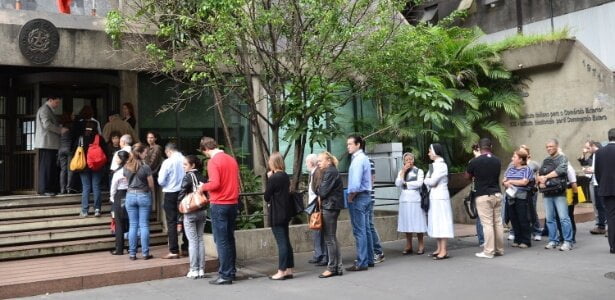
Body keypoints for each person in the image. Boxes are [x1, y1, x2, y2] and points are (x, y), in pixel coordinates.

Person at [199, 137, 240, 285]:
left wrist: (202, 187)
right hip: (233, 203)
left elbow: (215, 183)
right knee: (229, 238)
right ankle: (232, 271)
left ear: (205, 149)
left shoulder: (213, 161)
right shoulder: (230, 159)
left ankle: (225, 275)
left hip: (219, 203)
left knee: (221, 240)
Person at [465, 138, 502, 259]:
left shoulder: (475, 161)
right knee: (497, 223)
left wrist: (475, 160)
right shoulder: (497, 160)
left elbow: (467, 177)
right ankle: (499, 249)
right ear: (490, 146)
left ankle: (489, 251)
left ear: (479, 148)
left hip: (483, 195)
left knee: (487, 224)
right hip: (497, 193)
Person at [538, 139, 573, 251]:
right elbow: (539, 174)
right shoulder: (545, 160)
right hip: (547, 193)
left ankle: (568, 242)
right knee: (549, 219)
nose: (549, 148)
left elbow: (561, 171)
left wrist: (545, 177)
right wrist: (540, 180)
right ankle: (553, 240)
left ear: (557, 146)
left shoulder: (563, 158)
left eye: (551, 146)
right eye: (547, 147)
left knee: (564, 218)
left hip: (559, 193)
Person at [345, 135, 374, 272]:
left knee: (360, 231)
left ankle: (362, 261)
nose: (348, 146)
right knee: (366, 229)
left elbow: (355, 184)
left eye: (350, 144)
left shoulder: (358, 160)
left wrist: (351, 196)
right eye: (348, 144)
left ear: (358, 145)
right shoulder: (364, 158)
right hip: (366, 196)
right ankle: (369, 259)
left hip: (359, 197)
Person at [264, 152, 294, 280]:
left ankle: (281, 270)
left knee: (281, 242)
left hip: (276, 213)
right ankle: (289, 269)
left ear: (273, 163)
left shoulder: (274, 178)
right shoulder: (285, 176)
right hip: (285, 212)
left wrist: (269, 178)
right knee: (286, 241)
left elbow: (266, 196)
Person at [315, 151, 345, 278]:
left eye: (320, 161)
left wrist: (318, 189)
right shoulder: (331, 171)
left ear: (328, 160)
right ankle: (337, 267)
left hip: (330, 207)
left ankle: (332, 267)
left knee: (329, 238)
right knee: (332, 238)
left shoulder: (330, 172)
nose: (318, 163)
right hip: (332, 206)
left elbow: (322, 191)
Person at [124, 143, 155, 260]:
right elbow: (151, 184)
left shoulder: (126, 166)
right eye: (145, 152)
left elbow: (127, 181)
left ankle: (132, 253)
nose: (146, 154)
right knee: (144, 225)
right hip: (143, 195)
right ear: (140, 153)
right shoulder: (145, 167)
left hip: (130, 195)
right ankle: (145, 253)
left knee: (133, 225)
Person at [179, 155, 207, 279]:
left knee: (193, 241)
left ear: (193, 165)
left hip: (190, 211)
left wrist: (179, 209)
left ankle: (194, 269)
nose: (183, 166)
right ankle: (201, 269)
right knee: (200, 239)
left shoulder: (187, 177)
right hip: (202, 210)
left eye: (185, 164)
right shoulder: (202, 176)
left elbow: (181, 194)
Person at [158, 142, 187, 259]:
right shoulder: (185, 159)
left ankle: (174, 250)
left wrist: (168, 184)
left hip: (170, 193)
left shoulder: (167, 162)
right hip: (184, 193)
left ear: (168, 151)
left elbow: (161, 181)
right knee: (186, 219)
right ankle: (186, 248)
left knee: (171, 222)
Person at [425, 143, 454, 260]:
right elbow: (428, 180)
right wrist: (428, 180)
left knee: (442, 222)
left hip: (441, 197)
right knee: (436, 221)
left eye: (430, 151)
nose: (428, 153)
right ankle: (438, 248)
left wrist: (427, 180)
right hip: (434, 197)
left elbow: (431, 182)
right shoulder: (433, 166)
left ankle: (444, 250)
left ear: (435, 151)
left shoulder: (442, 166)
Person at [73, 120, 106, 217]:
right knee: (96, 186)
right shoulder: (99, 138)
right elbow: (105, 152)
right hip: (97, 166)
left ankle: (84, 210)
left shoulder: (81, 138)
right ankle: (97, 209)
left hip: (84, 167)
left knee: (86, 187)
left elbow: (74, 151)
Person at [395, 152, 427, 255]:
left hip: (415, 199)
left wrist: (406, 184)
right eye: (406, 159)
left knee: (418, 222)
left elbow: (419, 183)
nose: (409, 161)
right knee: (407, 222)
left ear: (413, 160)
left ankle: (421, 245)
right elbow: (397, 183)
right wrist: (403, 172)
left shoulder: (419, 171)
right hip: (404, 199)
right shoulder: (401, 171)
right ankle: (409, 245)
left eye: (410, 159)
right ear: (404, 161)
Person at [502, 149, 534, 249]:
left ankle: (526, 240)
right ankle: (517, 239)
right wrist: (506, 183)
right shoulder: (511, 168)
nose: (512, 159)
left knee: (523, 218)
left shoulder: (527, 169)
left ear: (520, 159)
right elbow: (504, 180)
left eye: (514, 157)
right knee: (513, 218)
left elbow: (524, 182)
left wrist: (510, 181)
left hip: (522, 196)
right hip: (510, 196)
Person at [34, 96, 65, 196]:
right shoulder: (44, 110)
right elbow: (47, 125)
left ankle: (49, 188)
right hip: (46, 143)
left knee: (50, 166)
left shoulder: (48, 110)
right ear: (50, 100)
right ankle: (45, 188)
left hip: (49, 143)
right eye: (56, 102)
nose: (57, 105)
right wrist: (60, 130)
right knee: (46, 166)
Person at [594, 128, 615, 254]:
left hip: (606, 189)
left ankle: (613, 246)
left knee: (611, 218)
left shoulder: (600, 152)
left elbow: (597, 172)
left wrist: (603, 184)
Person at [579, 141, 607, 235]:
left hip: (600, 182)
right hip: (593, 181)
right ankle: (600, 225)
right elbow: (583, 163)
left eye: (588, 148)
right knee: (597, 205)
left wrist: (591, 170)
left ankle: (605, 225)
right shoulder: (592, 156)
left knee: (603, 205)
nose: (587, 150)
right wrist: (583, 154)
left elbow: (600, 168)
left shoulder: (600, 154)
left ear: (593, 146)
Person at [305, 154, 327, 266]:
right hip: (314, 205)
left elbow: (318, 191)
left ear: (311, 162)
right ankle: (319, 254)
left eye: (306, 162)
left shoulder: (317, 173)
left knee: (318, 231)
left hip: (316, 206)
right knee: (316, 231)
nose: (305, 164)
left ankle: (322, 255)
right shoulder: (313, 173)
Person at [519, 145, 543, 241]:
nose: (521, 153)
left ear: (528, 154)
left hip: (531, 190)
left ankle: (537, 231)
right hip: (520, 190)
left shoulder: (534, 164)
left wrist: (537, 181)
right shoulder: (516, 163)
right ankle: (519, 232)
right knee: (520, 212)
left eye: (523, 152)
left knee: (532, 211)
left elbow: (540, 173)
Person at [110, 150, 130, 255]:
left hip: (119, 195)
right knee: (132, 222)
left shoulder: (118, 172)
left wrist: (112, 199)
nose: (116, 159)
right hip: (130, 194)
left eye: (117, 157)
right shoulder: (131, 169)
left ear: (121, 159)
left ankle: (119, 248)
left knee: (119, 223)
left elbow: (113, 188)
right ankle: (132, 247)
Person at [368, 158, 385, 264]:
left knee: (370, 225)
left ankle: (378, 252)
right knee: (369, 225)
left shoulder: (368, 161)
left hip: (368, 198)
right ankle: (374, 252)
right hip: (368, 198)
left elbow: (371, 180)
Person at [58, 112, 75, 194]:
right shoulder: (71, 126)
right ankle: (69, 188)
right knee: (70, 169)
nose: (74, 116)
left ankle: (62, 189)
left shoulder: (59, 127)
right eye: (72, 115)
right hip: (69, 149)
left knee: (63, 170)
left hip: (60, 149)